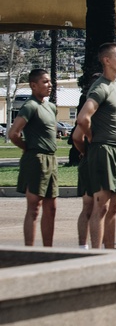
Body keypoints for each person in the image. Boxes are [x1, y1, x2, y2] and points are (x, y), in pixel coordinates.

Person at [73, 42, 116, 249]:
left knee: (113, 206)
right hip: (103, 149)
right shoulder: (101, 87)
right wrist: (91, 138)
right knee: (100, 206)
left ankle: (109, 252)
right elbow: (83, 118)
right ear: (107, 60)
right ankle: (95, 254)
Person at [9, 69, 58, 246]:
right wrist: (27, 148)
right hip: (36, 159)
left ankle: (48, 250)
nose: (49, 85)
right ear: (33, 85)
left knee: (51, 208)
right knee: (34, 208)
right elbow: (13, 133)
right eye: (45, 82)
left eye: (50, 81)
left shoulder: (50, 106)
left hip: (51, 159)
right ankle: (29, 250)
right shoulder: (30, 106)